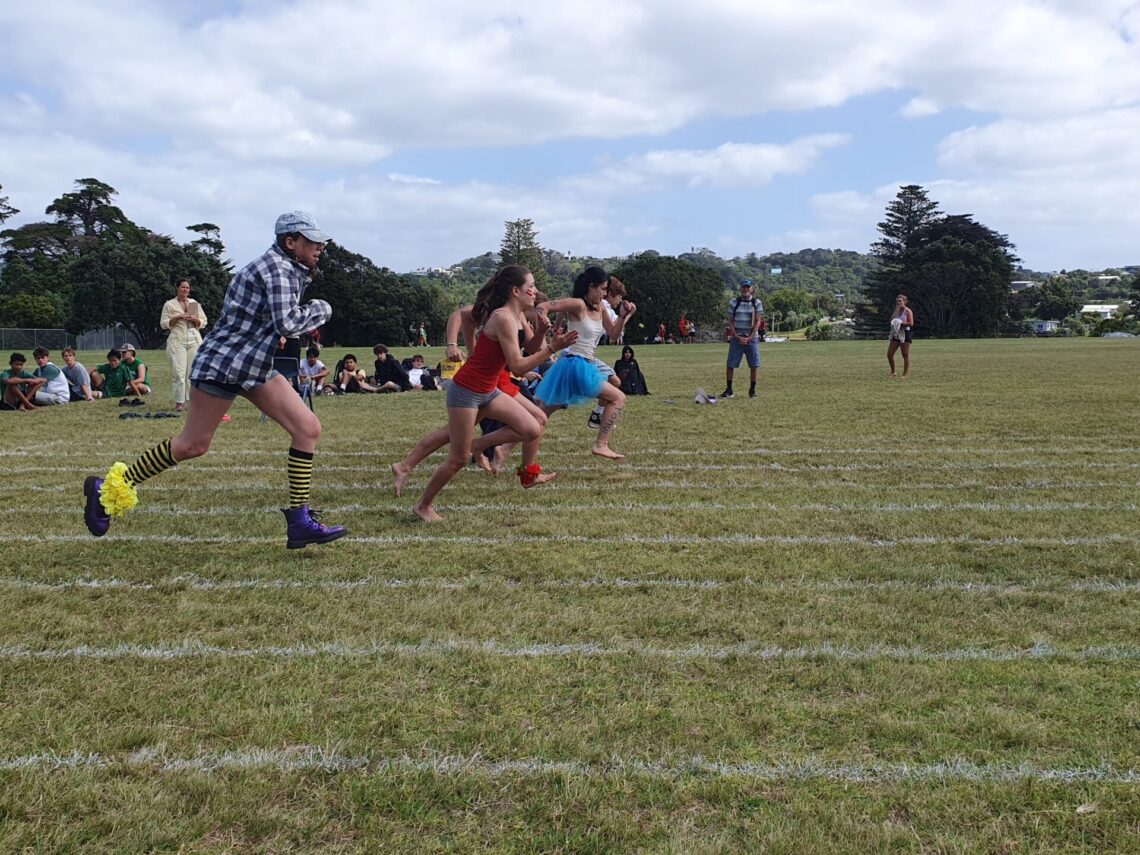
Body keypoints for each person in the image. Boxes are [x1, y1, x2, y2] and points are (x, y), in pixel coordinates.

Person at [82, 210, 346, 549]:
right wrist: (322, 309)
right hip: (224, 365)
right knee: (192, 445)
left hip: (252, 365)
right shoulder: (278, 269)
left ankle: (299, 521)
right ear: (290, 241)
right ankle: (108, 489)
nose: (320, 246)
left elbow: (262, 320)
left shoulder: (284, 268)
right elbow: (288, 323)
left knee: (307, 428)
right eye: (313, 240)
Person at [409, 265, 576, 522]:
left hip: (489, 389)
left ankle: (519, 470)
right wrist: (552, 347)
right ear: (515, 291)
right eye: (531, 286)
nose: (535, 291)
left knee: (533, 428)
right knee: (458, 458)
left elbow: (530, 349)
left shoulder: (516, 316)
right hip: (467, 391)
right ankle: (423, 505)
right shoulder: (503, 317)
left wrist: (544, 335)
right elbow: (518, 367)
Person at [534, 266, 630, 460]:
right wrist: (543, 319)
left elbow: (613, 334)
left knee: (540, 415)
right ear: (591, 286)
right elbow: (543, 306)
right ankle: (601, 444)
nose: (605, 294)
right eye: (602, 289)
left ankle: (501, 448)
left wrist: (622, 315)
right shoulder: (578, 304)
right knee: (618, 398)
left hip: (582, 365)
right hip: (576, 365)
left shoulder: (601, 307)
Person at [587, 275, 637, 428]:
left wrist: (627, 315)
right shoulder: (602, 305)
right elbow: (614, 332)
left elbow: (615, 329)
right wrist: (626, 315)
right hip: (580, 355)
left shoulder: (607, 309)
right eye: (619, 297)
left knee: (615, 381)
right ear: (610, 294)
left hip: (589, 355)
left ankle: (597, 415)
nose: (620, 301)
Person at [161, 277, 207, 412]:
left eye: (187, 287)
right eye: (183, 287)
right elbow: (164, 324)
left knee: (192, 373)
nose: (185, 289)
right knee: (179, 372)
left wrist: (195, 319)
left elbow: (203, 322)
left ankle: (192, 401)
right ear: (177, 288)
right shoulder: (170, 304)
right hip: (178, 341)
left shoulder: (194, 303)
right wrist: (178, 317)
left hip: (194, 339)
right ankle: (179, 402)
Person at [722, 278, 763, 399]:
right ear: (740, 288)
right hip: (736, 338)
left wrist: (750, 337)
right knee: (730, 364)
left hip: (752, 338)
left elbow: (758, 321)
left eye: (748, 287)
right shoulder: (734, 302)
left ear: (752, 289)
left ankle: (752, 391)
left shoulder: (757, 303)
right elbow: (730, 321)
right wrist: (735, 335)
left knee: (754, 364)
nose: (746, 289)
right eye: (744, 287)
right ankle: (729, 390)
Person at [888, 293, 915, 379]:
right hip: (896, 333)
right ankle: (893, 372)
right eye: (897, 301)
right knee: (889, 354)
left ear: (904, 302)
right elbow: (891, 321)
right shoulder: (896, 311)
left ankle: (905, 374)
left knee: (905, 354)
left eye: (900, 301)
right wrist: (894, 320)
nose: (898, 303)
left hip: (905, 333)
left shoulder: (907, 311)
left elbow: (911, 323)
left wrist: (901, 323)